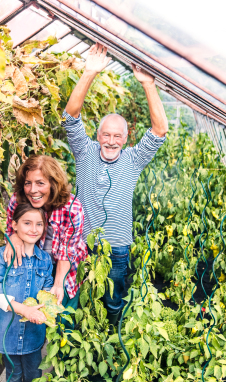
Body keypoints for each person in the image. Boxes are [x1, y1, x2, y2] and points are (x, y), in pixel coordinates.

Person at [61, 43, 169, 325]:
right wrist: (89, 72)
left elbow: (159, 131)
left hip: (118, 247)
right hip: (83, 244)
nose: (111, 141)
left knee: (112, 301)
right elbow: (70, 118)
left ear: (126, 137)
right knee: (80, 298)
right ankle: (80, 344)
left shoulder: (133, 159)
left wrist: (148, 84)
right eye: (106, 135)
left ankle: (109, 345)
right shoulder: (85, 152)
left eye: (117, 136)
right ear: (98, 135)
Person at [0, 203, 53, 382]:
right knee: (14, 375)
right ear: (14, 225)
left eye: (39, 224)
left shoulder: (45, 260)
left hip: (33, 333)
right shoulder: (3, 256)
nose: (34, 229)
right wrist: (24, 309)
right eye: (27, 223)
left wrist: (47, 306)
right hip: (8, 332)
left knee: (34, 374)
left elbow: (48, 286)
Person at [3, 155, 87, 309]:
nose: (33, 190)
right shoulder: (18, 201)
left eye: (40, 183)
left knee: (62, 311)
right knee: (32, 311)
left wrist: (58, 283)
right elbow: (10, 229)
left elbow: (67, 251)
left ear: (53, 184)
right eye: (28, 183)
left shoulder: (72, 208)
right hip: (33, 264)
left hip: (65, 266)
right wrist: (13, 237)